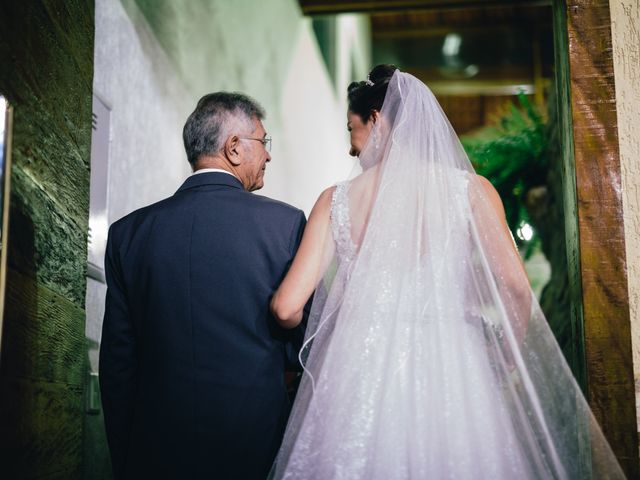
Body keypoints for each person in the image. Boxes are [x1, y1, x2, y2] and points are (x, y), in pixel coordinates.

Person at [269, 66, 625, 479]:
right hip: (455, 369)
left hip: (356, 371)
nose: (352, 149)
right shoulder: (472, 191)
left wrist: (319, 328)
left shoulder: (337, 201)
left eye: (353, 130)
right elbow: (515, 286)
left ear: (377, 120)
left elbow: (285, 306)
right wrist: (506, 357)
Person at [99, 92, 306, 480]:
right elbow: (306, 347)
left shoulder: (129, 234)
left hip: (155, 450)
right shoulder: (285, 225)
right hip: (255, 446)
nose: (268, 155)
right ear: (233, 148)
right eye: (264, 142)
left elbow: (117, 366)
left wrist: (127, 460)